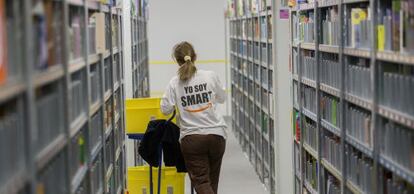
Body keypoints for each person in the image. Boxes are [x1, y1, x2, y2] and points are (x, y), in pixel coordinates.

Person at [160, 41, 227, 194]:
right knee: (211, 183)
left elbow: (165, 109)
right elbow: (222, 97)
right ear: (195, 56)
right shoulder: (210, 76)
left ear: (177, 61)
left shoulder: (174, 82)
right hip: (217, 136)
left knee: (202, 183)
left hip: (192, 139)